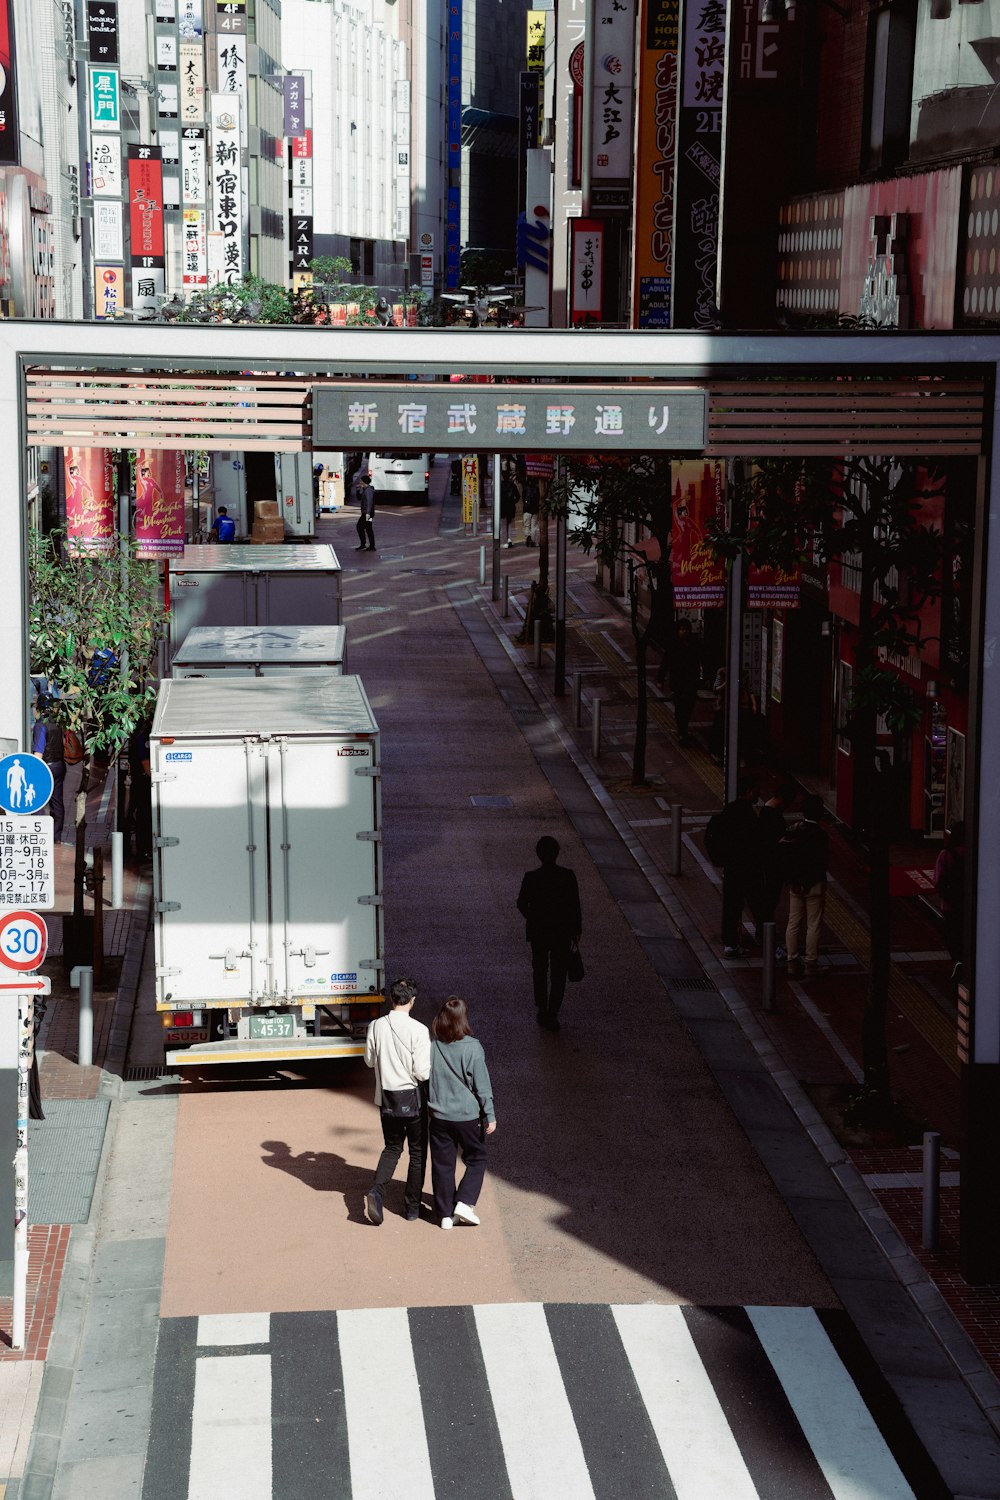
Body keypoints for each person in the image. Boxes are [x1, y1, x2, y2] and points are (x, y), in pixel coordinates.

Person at [364, 977, 431, 1225]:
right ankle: (412, 1207)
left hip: (387, 1098)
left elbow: (369, 1061)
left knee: (392, 1148)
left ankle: (376, 1191)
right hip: (412, 1099)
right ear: (412, 1001)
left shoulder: (376, 1026)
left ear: (392, 999)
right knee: (417, 1152)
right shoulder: (420, 1030)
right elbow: (423, 1073)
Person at [428, 997, 496, 1230]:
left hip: (439, 1115)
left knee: (442, 1164)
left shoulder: (434, 1046)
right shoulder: (473, 1047)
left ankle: (445, 1214)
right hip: (468, 1116)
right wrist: (490, 1114)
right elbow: (482, 1086)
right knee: (477, 1158)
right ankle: (464, 1203)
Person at [516, 835, 582, 1030]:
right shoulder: (568, 876)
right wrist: (576, 929)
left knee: (540, 970)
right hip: (561, 931)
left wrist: (533, 916)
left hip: (539, 932)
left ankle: (542, 1008)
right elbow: (574, 905)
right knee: (559, 972)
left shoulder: (531, 877)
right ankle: (553, 1011)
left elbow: (521, 903)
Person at [782, 793, 830, 978]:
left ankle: (792, 960)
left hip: (795, 885)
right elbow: (821, 862)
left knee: (793, 922)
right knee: (813, 924)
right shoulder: (821, 836)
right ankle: (811, 962)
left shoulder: (793, 830)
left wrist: (794, 881)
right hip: (815, 885)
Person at [717, 779, 762, 958]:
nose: (758, 796)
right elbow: (755, 843)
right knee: (758, 904)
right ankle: (766, 938)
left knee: (731, 906)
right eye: (757, 791)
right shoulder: (748, 815)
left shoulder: (729, 810)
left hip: (731, 868)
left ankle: (730, 943)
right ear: (749, 791)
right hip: (747, 869)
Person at [756, 783, 795, 949]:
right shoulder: (772, 816)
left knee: (769, 900)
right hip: (771, 867)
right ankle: (765, 932)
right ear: (782, 799)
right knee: (769, 900)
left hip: (769, 866)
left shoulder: (766, 812)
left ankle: (765, 930)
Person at [658, 619, 701, 744]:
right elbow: (665, 663)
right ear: (677, 631)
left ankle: (683, 728)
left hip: (692, 682)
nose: (684, 632)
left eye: (686, 629)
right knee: (681, 707)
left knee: (689, 706)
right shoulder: (673, 645)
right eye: (682, 629)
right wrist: (660, 679)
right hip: (678, 682)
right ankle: (682, 732)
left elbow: (699, 660)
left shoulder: (694, 643)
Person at [31, 696, 66, 843]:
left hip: (46, 766)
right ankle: (56, 836)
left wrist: (33, 770)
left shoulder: (41, 725)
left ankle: (38, 832)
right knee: (57, 801)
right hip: (59, 765)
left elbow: (38, 752)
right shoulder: (59, 722)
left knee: (37, 800)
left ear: (38, 708)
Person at [934, 820, 966, 966]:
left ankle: (957, 961)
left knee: (951, 934)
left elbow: (938, 881)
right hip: (966, 903)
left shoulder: (945, 855)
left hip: (949, 904)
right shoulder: (972, 853)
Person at [126, 719, 153, 860]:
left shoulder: (141, 735)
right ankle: (143, 850)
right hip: (143, 783)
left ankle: (144, 848)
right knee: (144, 816)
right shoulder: (143, 737)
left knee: (143, 816)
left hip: (141, 781)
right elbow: (145, 763)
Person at [354, 469, 376, 552]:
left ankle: (365, 545)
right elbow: (359, 498)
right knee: (368, 528)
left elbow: (370, 502)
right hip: (367, 513)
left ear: (364, 482)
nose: (360, 483)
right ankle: (371, 545)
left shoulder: (369, 491)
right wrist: (358, 490)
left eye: (361, 481)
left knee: (360, 527)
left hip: (367, 513)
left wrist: (367, 513)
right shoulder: (365, 490)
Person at [500, 471, 518, 548]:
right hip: (511, 507)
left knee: (504, 525)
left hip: (503, 507)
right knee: (510, 524)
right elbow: (518, 496)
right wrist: (513, 502)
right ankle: (510, 539)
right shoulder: (512, 485)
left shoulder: (500, 485)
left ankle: (505, 542)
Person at [522, 476, 540, 547]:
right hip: (535, 510)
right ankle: (533, 540)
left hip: (527, 510)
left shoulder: (525, 489)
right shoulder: (537, 489)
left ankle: (528, 536)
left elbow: (523, 498)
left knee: (527, 526)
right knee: (534, 526)